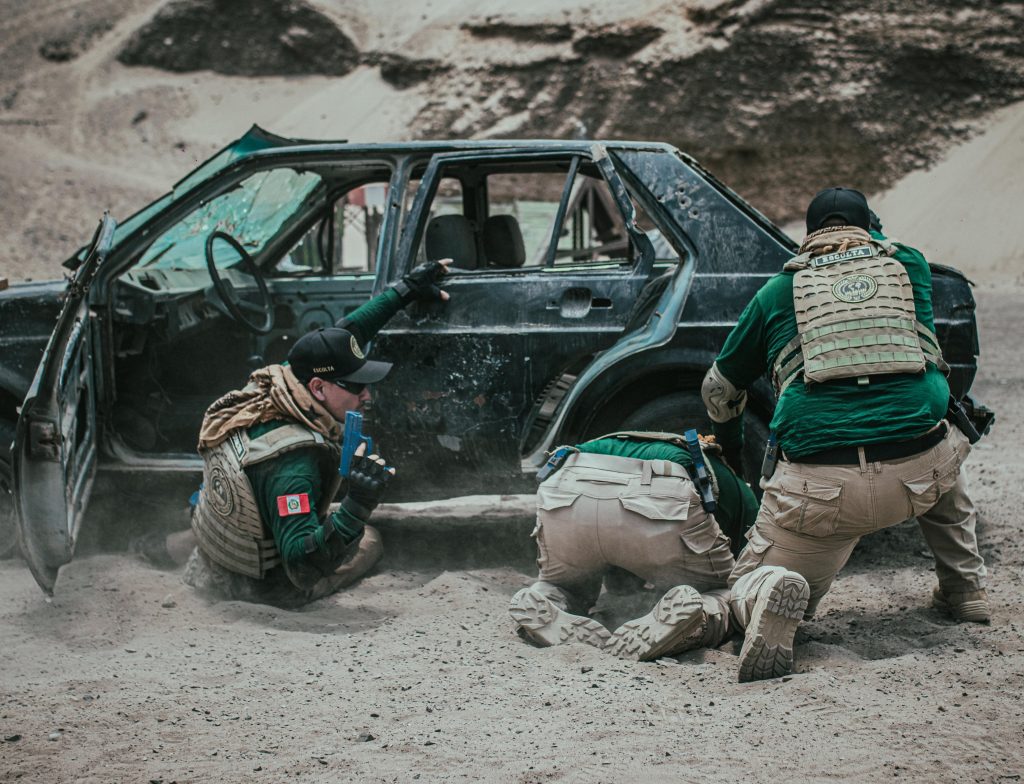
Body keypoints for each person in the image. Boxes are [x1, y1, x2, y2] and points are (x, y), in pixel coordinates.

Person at [701, 187, 989, 682]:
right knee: (944, 439)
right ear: (870, 227)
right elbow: (891, 253)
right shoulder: (910, 267)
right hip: (919, 477)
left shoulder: (777, 291)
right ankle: (965, 591)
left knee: (751, 589)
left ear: (808, 235)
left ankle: (769, 593)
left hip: (821, 493)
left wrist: (729, 452)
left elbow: (719, 389)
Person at [179, 260, 451, 607]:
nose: (367, 395)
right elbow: (302, 569)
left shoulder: (280, 383)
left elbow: (347, 333)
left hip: (218, 539)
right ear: (319, 387)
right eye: (356, 385)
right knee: (370, 539)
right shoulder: (294, 461)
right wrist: (357, 506)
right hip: (262, 587)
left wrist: (405, 290)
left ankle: (165, 546)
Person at [509, 430, 758, 661]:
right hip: (664, 493)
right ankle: (694, 620)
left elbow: (619, 556)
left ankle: (546, 597)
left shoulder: (634, 442)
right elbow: (744, 568)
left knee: (566, 585)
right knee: (728, 595)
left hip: (566, 485)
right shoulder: (742, 496)